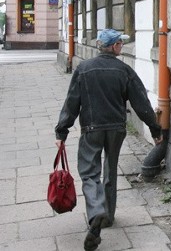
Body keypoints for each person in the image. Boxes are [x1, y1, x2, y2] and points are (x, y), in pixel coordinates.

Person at [54, 29, 163, 251]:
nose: (121, 47)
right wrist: (155, 129)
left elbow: (72, 102)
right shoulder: (124, 70)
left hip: (91, 129)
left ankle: (95, 211)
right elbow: (141, 102)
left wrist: (62, 131)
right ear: (113, 47)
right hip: (116, 129)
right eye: (120, 45)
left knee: (89, 172)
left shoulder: (83, 69)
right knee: (110, 169)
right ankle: (108, 216)